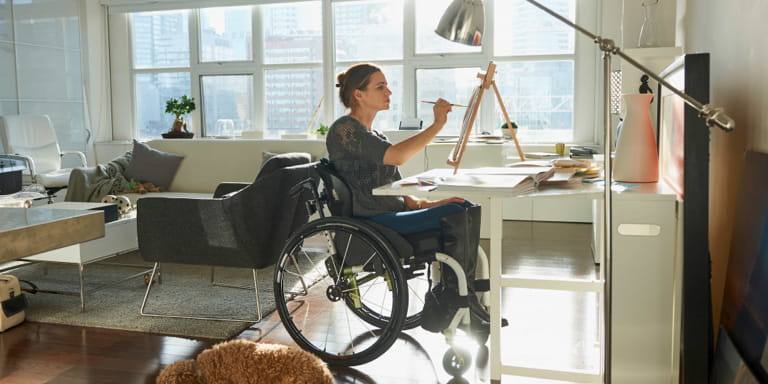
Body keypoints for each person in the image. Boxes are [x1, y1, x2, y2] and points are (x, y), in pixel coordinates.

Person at [326, 63, 490, 334]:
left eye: (387, 86)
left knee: (461, 205)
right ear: (359, 94)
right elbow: (397, 156)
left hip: (390, 214)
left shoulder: (375, 135)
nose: (389, 91)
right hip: (373, 222)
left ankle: (461, 298)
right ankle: (456, 302)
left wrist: (432, 204)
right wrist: (437, 124)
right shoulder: (344, 130)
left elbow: (400, 192)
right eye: (380, 86)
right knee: (460, 212)